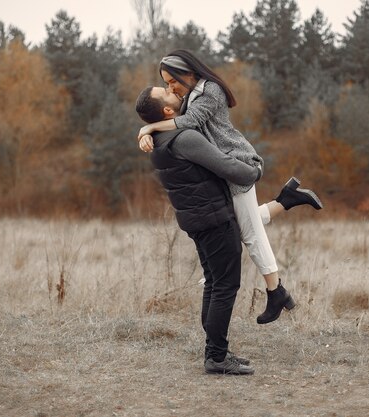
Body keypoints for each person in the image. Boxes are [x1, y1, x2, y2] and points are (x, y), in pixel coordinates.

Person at [137, 49, 323, 325]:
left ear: (186, 73)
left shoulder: (211, 90)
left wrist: (147, 129)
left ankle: (276, 291)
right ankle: (286, 200)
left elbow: (189, 122)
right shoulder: (190, 94)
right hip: (224, 168)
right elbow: (177, 121)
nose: (170, 87)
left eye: (171, 81)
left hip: (238, 163)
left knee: (249, 233)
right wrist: (149, 129)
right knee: (239, 224)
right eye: (166, 84)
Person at [135, 85, 257, 375]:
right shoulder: (185, 138)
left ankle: (217, 351)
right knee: (225, 285)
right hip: (214, 218)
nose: (171, 89)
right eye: (165, 92)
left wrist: (146, 129)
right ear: (166, 111)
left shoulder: (160, 141)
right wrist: (254, 172)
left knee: (215, 283)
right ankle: (216, 357)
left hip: (197, 220)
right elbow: (227, 165)